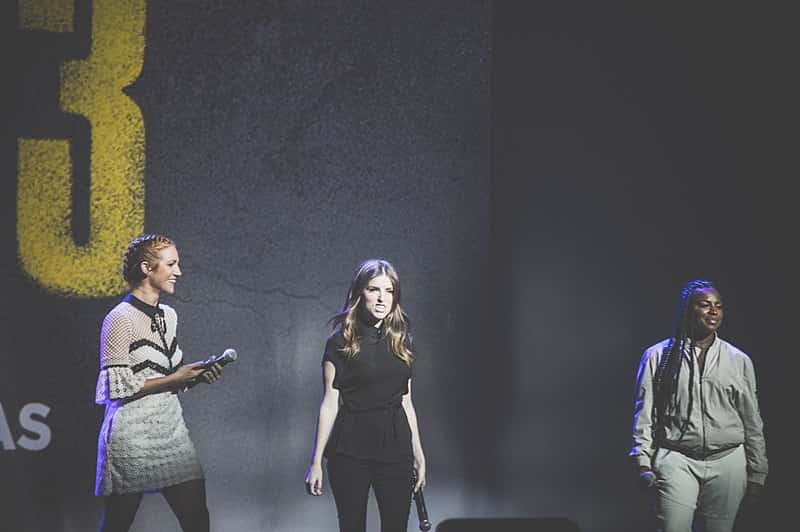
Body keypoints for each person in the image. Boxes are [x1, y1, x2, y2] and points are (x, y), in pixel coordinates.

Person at [94, 234, 223, 532]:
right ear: (147, 268)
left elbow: (170, 371)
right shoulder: (119, 319)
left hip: (171, 432)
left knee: (197, 519)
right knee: (117, 523)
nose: (178, 272)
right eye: (171, 264)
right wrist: (174, 379)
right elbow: (116, 388)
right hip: (132, 438)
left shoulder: (169, 315)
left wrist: (196, 376)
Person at [630, 279, 768, 532]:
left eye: (718, 306)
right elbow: (644, 410)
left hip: (727, 461)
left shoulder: (738, 360)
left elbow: (751, 418)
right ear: (687, 310)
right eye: (705, 305)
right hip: (677, 458)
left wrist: (758, 471)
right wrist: (642, 460)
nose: (713, 311)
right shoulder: (658, 356)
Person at [305, 259, 426, 532]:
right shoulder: (340, 341)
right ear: (360, 292)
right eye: (374, 290)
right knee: (352, 526)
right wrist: (315, 462)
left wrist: (418, 454)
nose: (383, 298)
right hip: (350, 450)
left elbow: (407, 401)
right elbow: (329, 402)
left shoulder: (402, 341)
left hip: (396, 449)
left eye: (390, 291)